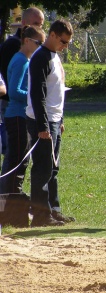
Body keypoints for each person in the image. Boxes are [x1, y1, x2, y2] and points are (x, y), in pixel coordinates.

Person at [26, 20, 75, 227]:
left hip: (54, 120)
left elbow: (57, 93)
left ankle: (53, 209)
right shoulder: (41, 58)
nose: (65, 46)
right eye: (63, 41)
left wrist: (59, 120)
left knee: (53, 169)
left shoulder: (54, 56)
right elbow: (38, 95)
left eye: (68, 43)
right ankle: (40, 216)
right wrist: (43, 127)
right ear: (53, 35)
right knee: (43, 169)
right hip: (41, 121)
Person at [0, 26, 46, 194]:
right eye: (38, 43)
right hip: (17, 116)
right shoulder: (20, 61)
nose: (40, 47)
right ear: (27, 41)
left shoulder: (24, 60)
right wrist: (34, 95)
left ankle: (13, 196)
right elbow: (13, 91)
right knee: (18, 160)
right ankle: (12, 199)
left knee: (20, 158)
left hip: (20, 115)